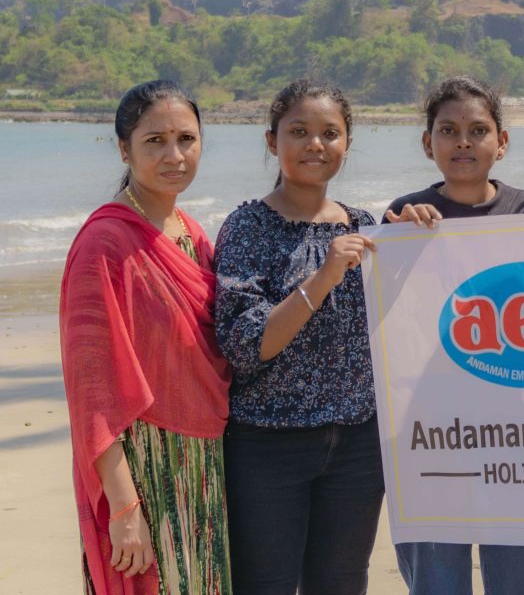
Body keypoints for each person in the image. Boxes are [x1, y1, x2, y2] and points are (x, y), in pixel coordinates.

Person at [215, 78, 422, 595]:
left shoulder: (366, 227)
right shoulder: (246, 227)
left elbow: (405, 320)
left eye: (330, 133)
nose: (315, 144)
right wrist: (324, 276)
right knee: (267, 585)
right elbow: (246, 346)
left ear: (347, 143)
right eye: (299, 131)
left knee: (343, 584)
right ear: (271, 142)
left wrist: (418, 237)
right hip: (269, 447)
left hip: (356, 447)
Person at [382, 75, 524, 595]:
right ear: (427, 142)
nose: (462, 141)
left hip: (519, 428)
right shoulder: (402, 213)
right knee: (435, 583)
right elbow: (388, 320)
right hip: (429, 430)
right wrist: (400, 238)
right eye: (448, 130)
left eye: (478, 130)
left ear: (501, 143)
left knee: (519, 581)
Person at [59, 80, 232, 594]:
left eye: (186, 139)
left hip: (203, 466)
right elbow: (93, 391)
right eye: (155, 141)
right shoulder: (103, 244)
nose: (174, 155)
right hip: (144, 466)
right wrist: (124, 508)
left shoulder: (191, 233)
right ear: (124, 148)